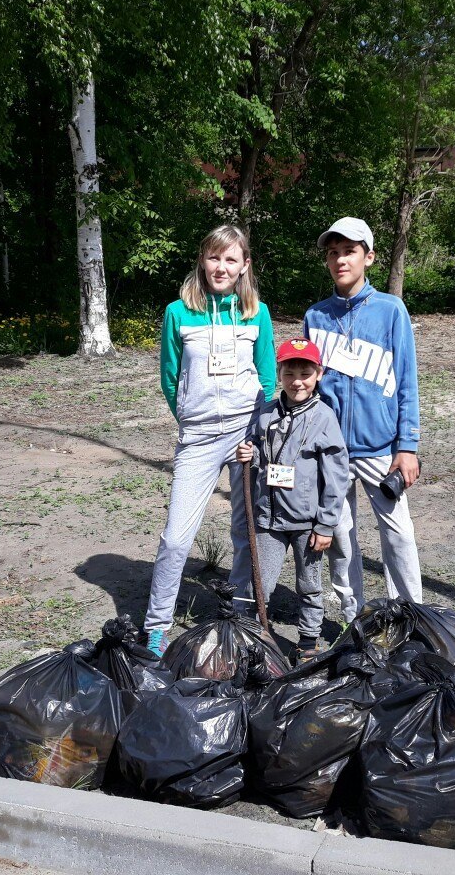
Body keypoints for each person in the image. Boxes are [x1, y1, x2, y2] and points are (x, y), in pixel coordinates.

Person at [144, 224, 276, 657]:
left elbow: (269, 375)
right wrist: (187, 415)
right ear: (203, 260)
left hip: (244, 433)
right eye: (215, 257)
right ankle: (157, 626)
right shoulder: (178, 312)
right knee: (177, 537)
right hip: (199, 436)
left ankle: (241, 616)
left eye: (231, 259)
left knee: (246, 530)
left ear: (244, 266)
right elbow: (169, 375)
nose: (222, 267)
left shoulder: (256, 313)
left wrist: (257, 430)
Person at [303, 216, 422, 623]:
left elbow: (406, 380)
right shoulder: (316, 317)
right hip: (332, 448)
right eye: (333, 253)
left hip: (380, 448)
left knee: (399, 535)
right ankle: (355, 618)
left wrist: (407, 446)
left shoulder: (391, 311)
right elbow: (305, 385)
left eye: (349, 251)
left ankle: (410, 617)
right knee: (340, 537)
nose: (340, 260)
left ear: (368, 257)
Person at [232, 338, 349, 662]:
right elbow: (259, 453)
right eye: (290, 373)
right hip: (269, 520)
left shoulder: (325, 418)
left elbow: (337, 476)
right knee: (260, 584)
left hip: (307, 523)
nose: (297, 381)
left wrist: (325, 525)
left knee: (308, 584)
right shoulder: (267, 413)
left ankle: (308, 644)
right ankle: (256, 640)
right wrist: (250, 454)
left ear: (318, 374)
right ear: (280, 374)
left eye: (305, 373)